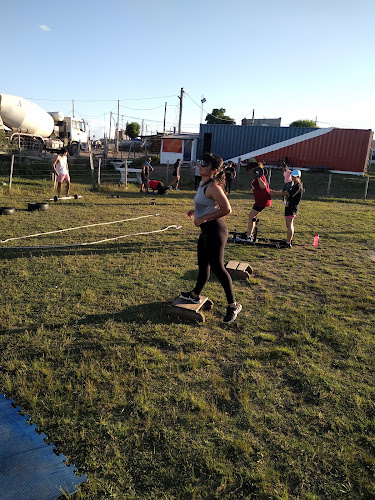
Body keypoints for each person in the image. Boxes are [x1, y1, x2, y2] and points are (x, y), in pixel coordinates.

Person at [179, 153, 242, 324]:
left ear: (213, 170)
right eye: (200, 162)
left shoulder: (213, 186)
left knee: (218, 268)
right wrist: (196, 211)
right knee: (203, 265)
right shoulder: (203, 182)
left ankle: (233, 305)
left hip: (215, 230)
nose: (200, 165)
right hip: (207, 230)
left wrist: (204, 217)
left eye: (204, 164)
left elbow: (227, 209)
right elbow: (207, 203)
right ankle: (194, 295)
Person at [270, 169, 304, 248]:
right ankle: (288, 239)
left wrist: (275, 193)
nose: (292, 178)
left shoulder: (298, 186)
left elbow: (288, 193)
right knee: (288, 225)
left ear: (298, 177)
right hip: (289, 206)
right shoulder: (294, 185)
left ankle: (288, 242)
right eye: (292, 176)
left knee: (290, 224)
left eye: (294, 177)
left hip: (292, 207)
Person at [239, 161, 272, 242]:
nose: (249, 173)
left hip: (262, 200)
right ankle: (249, 233)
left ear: (252, 169)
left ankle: (249, 236)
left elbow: (263, 186)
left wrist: (258, 177)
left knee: (251, 216)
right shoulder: (258, 176)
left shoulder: (260, 176)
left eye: (249, 171)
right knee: (252, 216)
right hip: (261, 200)